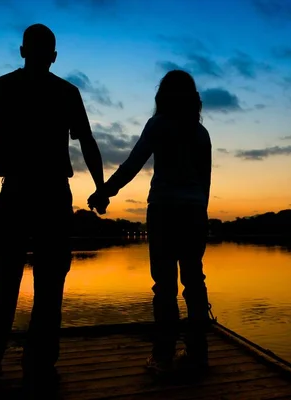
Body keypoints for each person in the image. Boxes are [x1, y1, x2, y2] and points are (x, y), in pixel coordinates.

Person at [0, 23, 105, 393]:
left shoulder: (1, 88)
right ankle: (38, 361)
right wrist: (100, 187)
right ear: (52, 55)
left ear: (23, 51)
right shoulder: (64, 92)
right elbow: (87, 143)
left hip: (19, 194)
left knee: (3, 281)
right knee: (45, 282)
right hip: (49, 195)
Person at [88, 70, 212, 376]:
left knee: (165, 287)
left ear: (163, 96)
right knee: (194, 283)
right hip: (195, 212)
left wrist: (105, 191)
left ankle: (162, 356)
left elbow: (132, 164)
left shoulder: (158, 125)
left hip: (164, 212)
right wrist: (201, 212)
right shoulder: (201, 133)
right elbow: (205, 181)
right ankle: (198, 354)